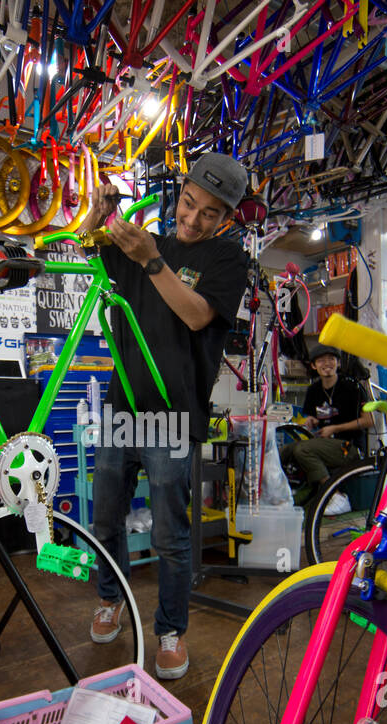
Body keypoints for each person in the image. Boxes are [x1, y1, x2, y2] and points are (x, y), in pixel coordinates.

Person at [85, 155, 250, 679]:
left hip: (174, 417)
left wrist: (154, 261)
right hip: (121, 407)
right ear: (179, 194)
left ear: (226, 218)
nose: (193, 219)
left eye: (209, 213)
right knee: (105, 519)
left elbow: (198, 315)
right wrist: (99, 215)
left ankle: (170, 630)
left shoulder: (227, 258)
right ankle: (110, 598)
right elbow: (89, 249)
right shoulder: (144, 244)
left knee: (170, 536)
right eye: (188, 203)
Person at [281, 344, 373, 511]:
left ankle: (336, 497)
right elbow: (313, 417)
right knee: (284, 451)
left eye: (331, 359)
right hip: (324, 443)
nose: (327, 364)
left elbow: (369, 420)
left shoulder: (352, 387)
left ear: (338, 363)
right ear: (313, 366)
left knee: (303, 449)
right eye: (321, 361)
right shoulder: (314, 390)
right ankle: (278, 495)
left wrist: (335, 428)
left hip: (349, 447)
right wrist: (310, 420)